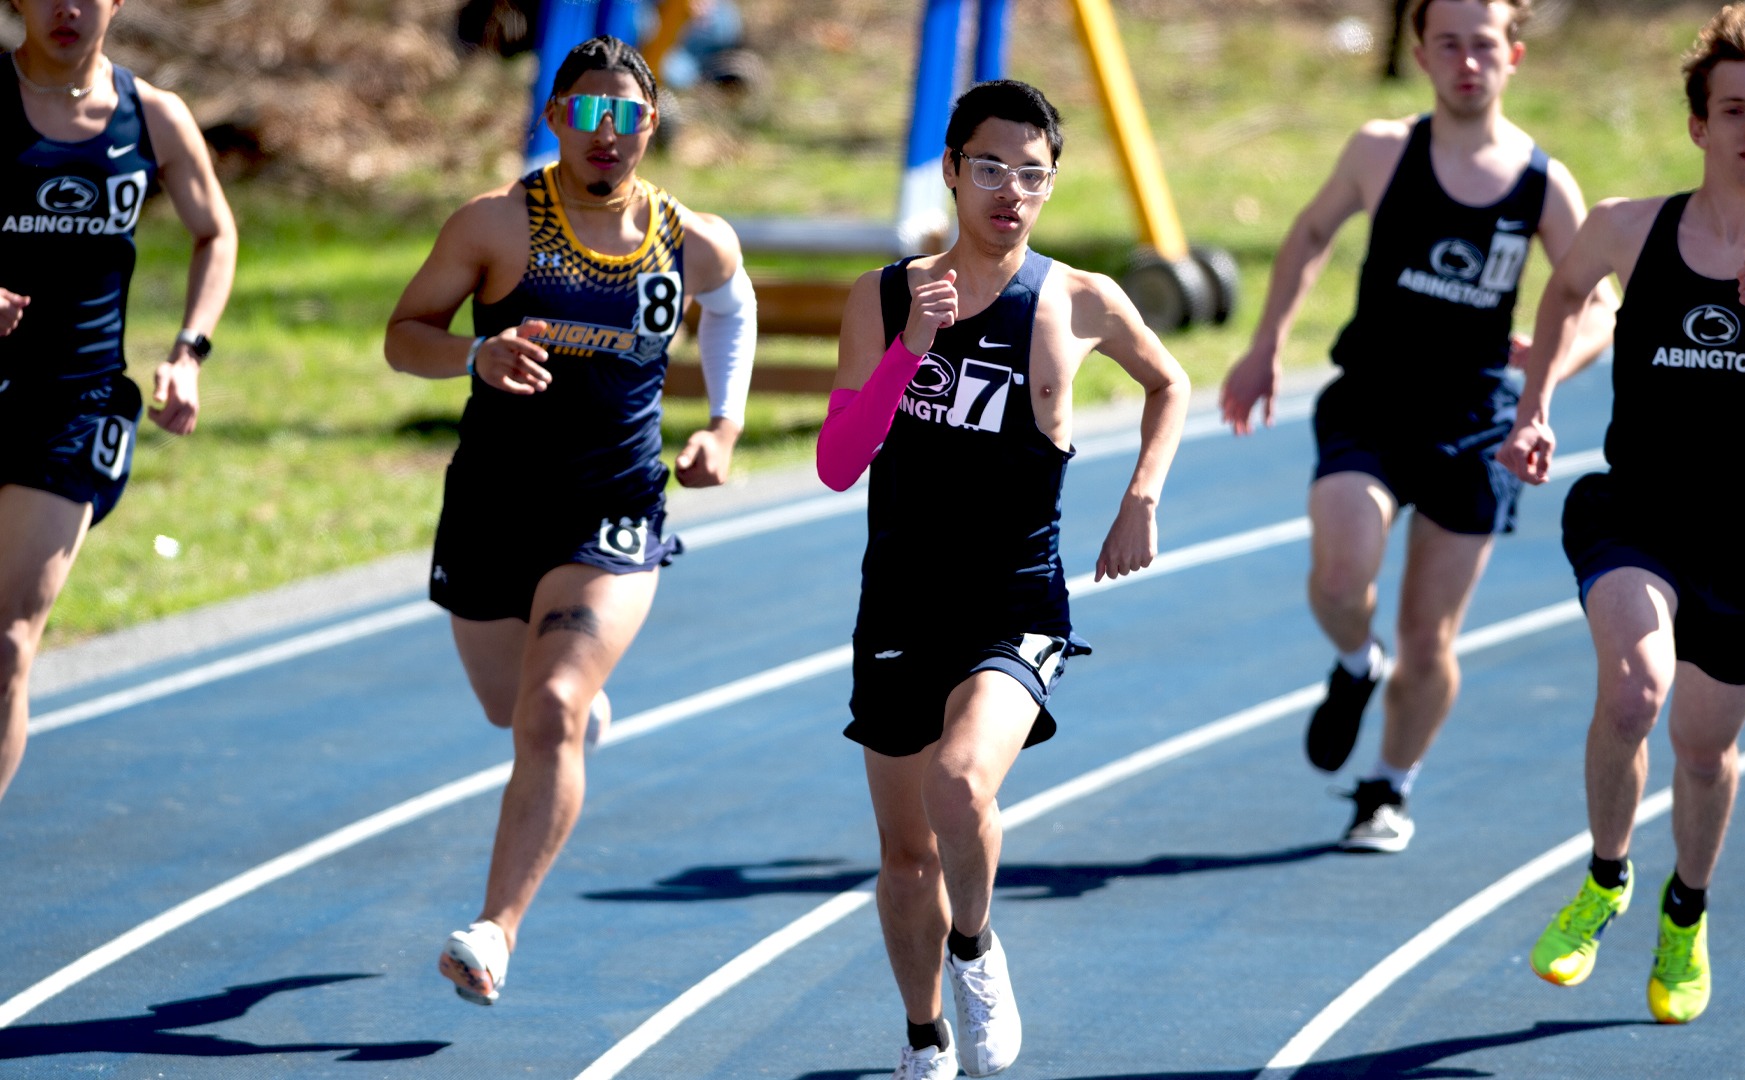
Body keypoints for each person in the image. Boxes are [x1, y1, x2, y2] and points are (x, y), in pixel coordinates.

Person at [1499, 0, 1745, 1025]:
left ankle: (1686, 910)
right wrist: (1535, 409)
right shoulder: (1627, 227)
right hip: (1636, 517)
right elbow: (1566, 290)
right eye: (1734, 109)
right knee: (1633, 692)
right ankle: (1606, 878)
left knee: (1704, 754)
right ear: (1697, 124)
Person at [818, 80, 1188, 1080]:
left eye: (1033, 175)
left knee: (958, 780)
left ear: (1051, 185)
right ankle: (924, 1033)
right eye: (990, 169)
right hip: (899, 602)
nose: (1010, 193)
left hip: (1014, 602)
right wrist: (908, 355)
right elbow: (839, 462)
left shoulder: (1077, 301)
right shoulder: (884, 298)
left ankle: (976, 949)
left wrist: (1141, 496)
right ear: (951, 170)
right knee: (906, 860)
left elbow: (1169, 383)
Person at [384, 35, 755, 1005]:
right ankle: (572, 707)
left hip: (614, 509)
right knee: (513, 711)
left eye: (627, 115)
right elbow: (402, 336)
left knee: (549, 711)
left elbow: (731, 308)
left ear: (651, 126)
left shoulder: (690, 235)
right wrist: (476, 354)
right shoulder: (496, 226)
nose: (607, 133)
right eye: (587, 113)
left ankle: (495, 929)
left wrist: (723, 422)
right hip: (493, 508)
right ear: (554, 120)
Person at [1219, 0, 1613, 853]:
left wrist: (1542, 375)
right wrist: (1264, 347)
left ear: (1513, 54)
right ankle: (1355, 665)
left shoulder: (1543, 182)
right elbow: (1311, 231)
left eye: (1484, 46)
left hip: (1476, 423)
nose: (1467, 62)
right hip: (1372, 401)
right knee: (1339, 572)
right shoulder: (1381, 150)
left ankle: (1388, 788)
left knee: (1430, 635)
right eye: (1449, 45)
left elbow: (1600, 305)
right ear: (1421, 54)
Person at [0, 0, 237, 804]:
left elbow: (216, 231)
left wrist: (189, 352)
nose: (67, 8)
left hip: (75, 398)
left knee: (7, 644)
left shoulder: (152, 115)